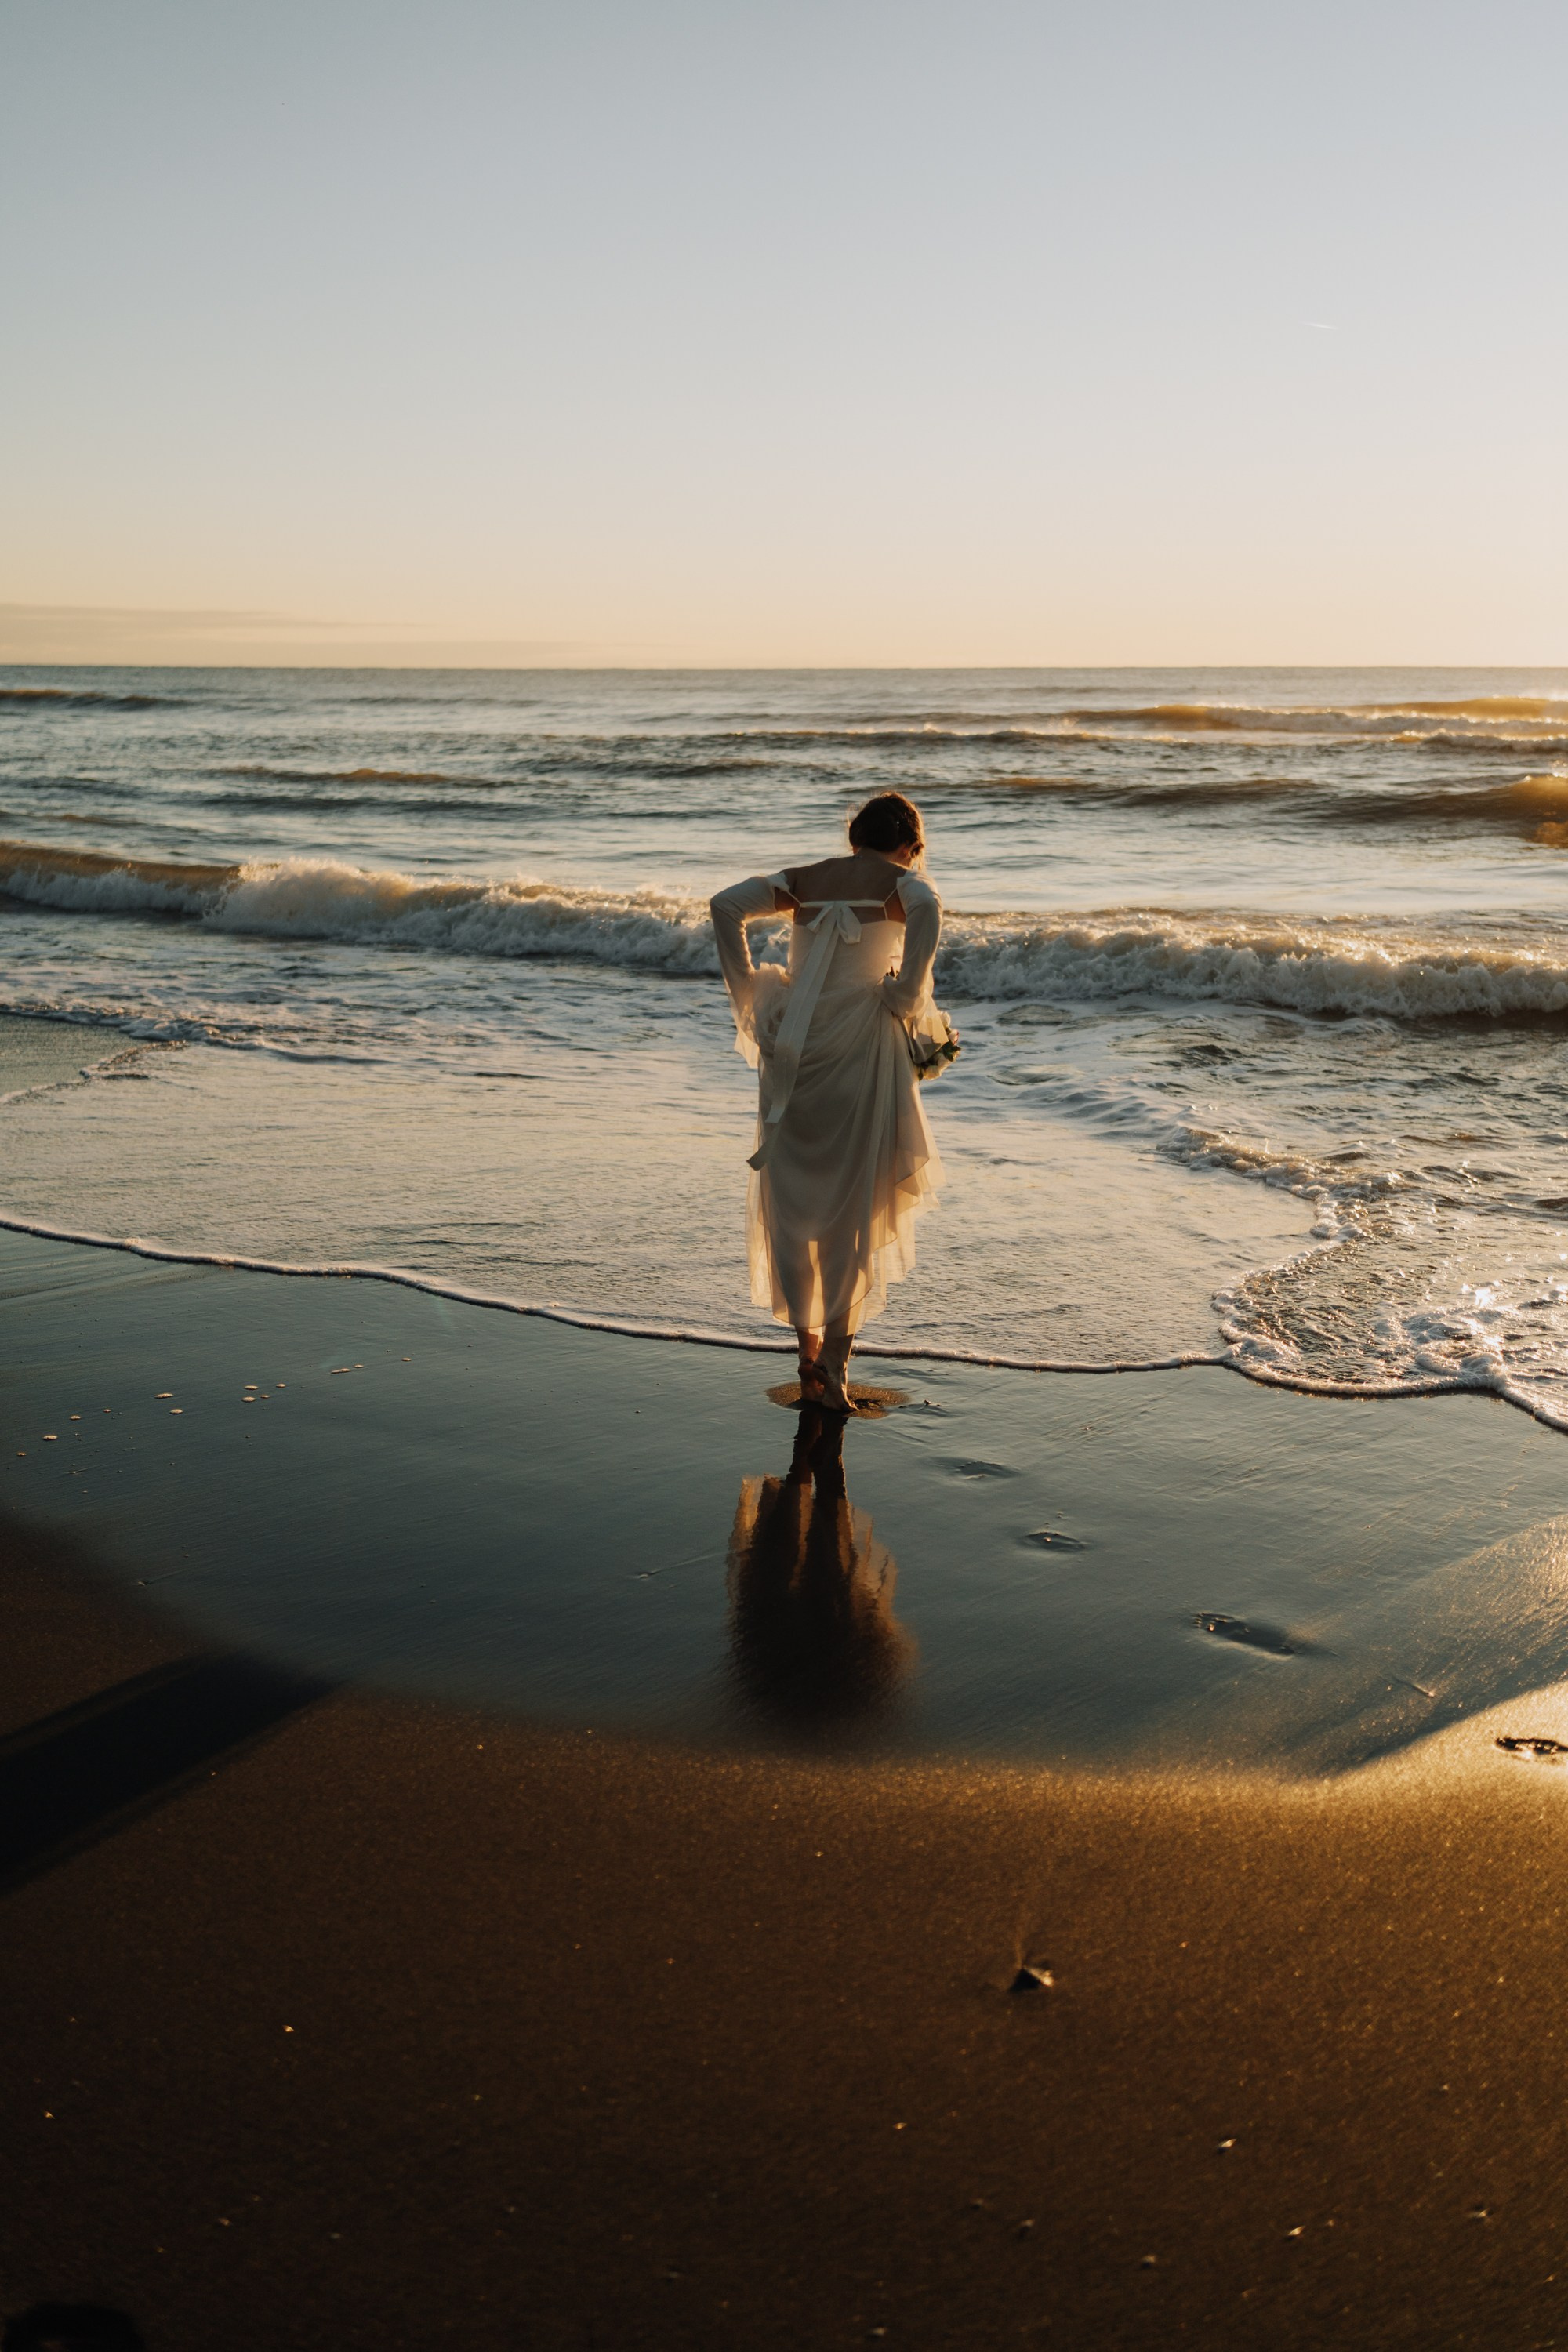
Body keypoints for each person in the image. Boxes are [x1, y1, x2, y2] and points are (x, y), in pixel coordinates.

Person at [710, 790, 946, 1413]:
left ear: (855, 836)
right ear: (908, 846)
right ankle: (836, 1364)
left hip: (794, 1047)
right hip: (860, 1049)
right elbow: (926, 919)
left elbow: (724, 905)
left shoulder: (804, 880)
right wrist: (902, 1001)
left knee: (793, 1196)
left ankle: (807, 1351)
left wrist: (750, 999)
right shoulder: (905, 884)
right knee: (855, 1205)